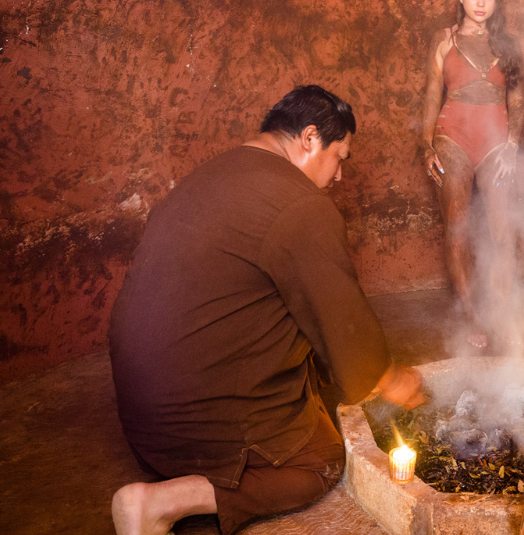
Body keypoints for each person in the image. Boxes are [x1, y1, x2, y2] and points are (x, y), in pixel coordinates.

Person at [108, 86, 426, 535]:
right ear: (310, 138)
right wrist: (391, 378)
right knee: (320, 460)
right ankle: (160, 503)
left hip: (142, 427)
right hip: (190, 434)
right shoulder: (299, 204)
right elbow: (341, 321)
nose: (338, 176)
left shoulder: (214, 173)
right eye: (340, 158)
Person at [419, 0, 524, 349]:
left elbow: (517, 98)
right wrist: (426, 143)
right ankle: (471, 316)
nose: (480, 4)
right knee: (457, 228)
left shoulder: (507, 43)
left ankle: (501, 310)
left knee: (502, 230)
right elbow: (433, 92)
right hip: (453, 137)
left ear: (498, 1)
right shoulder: (443, 39)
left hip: (496, 141)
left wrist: (513, 144)